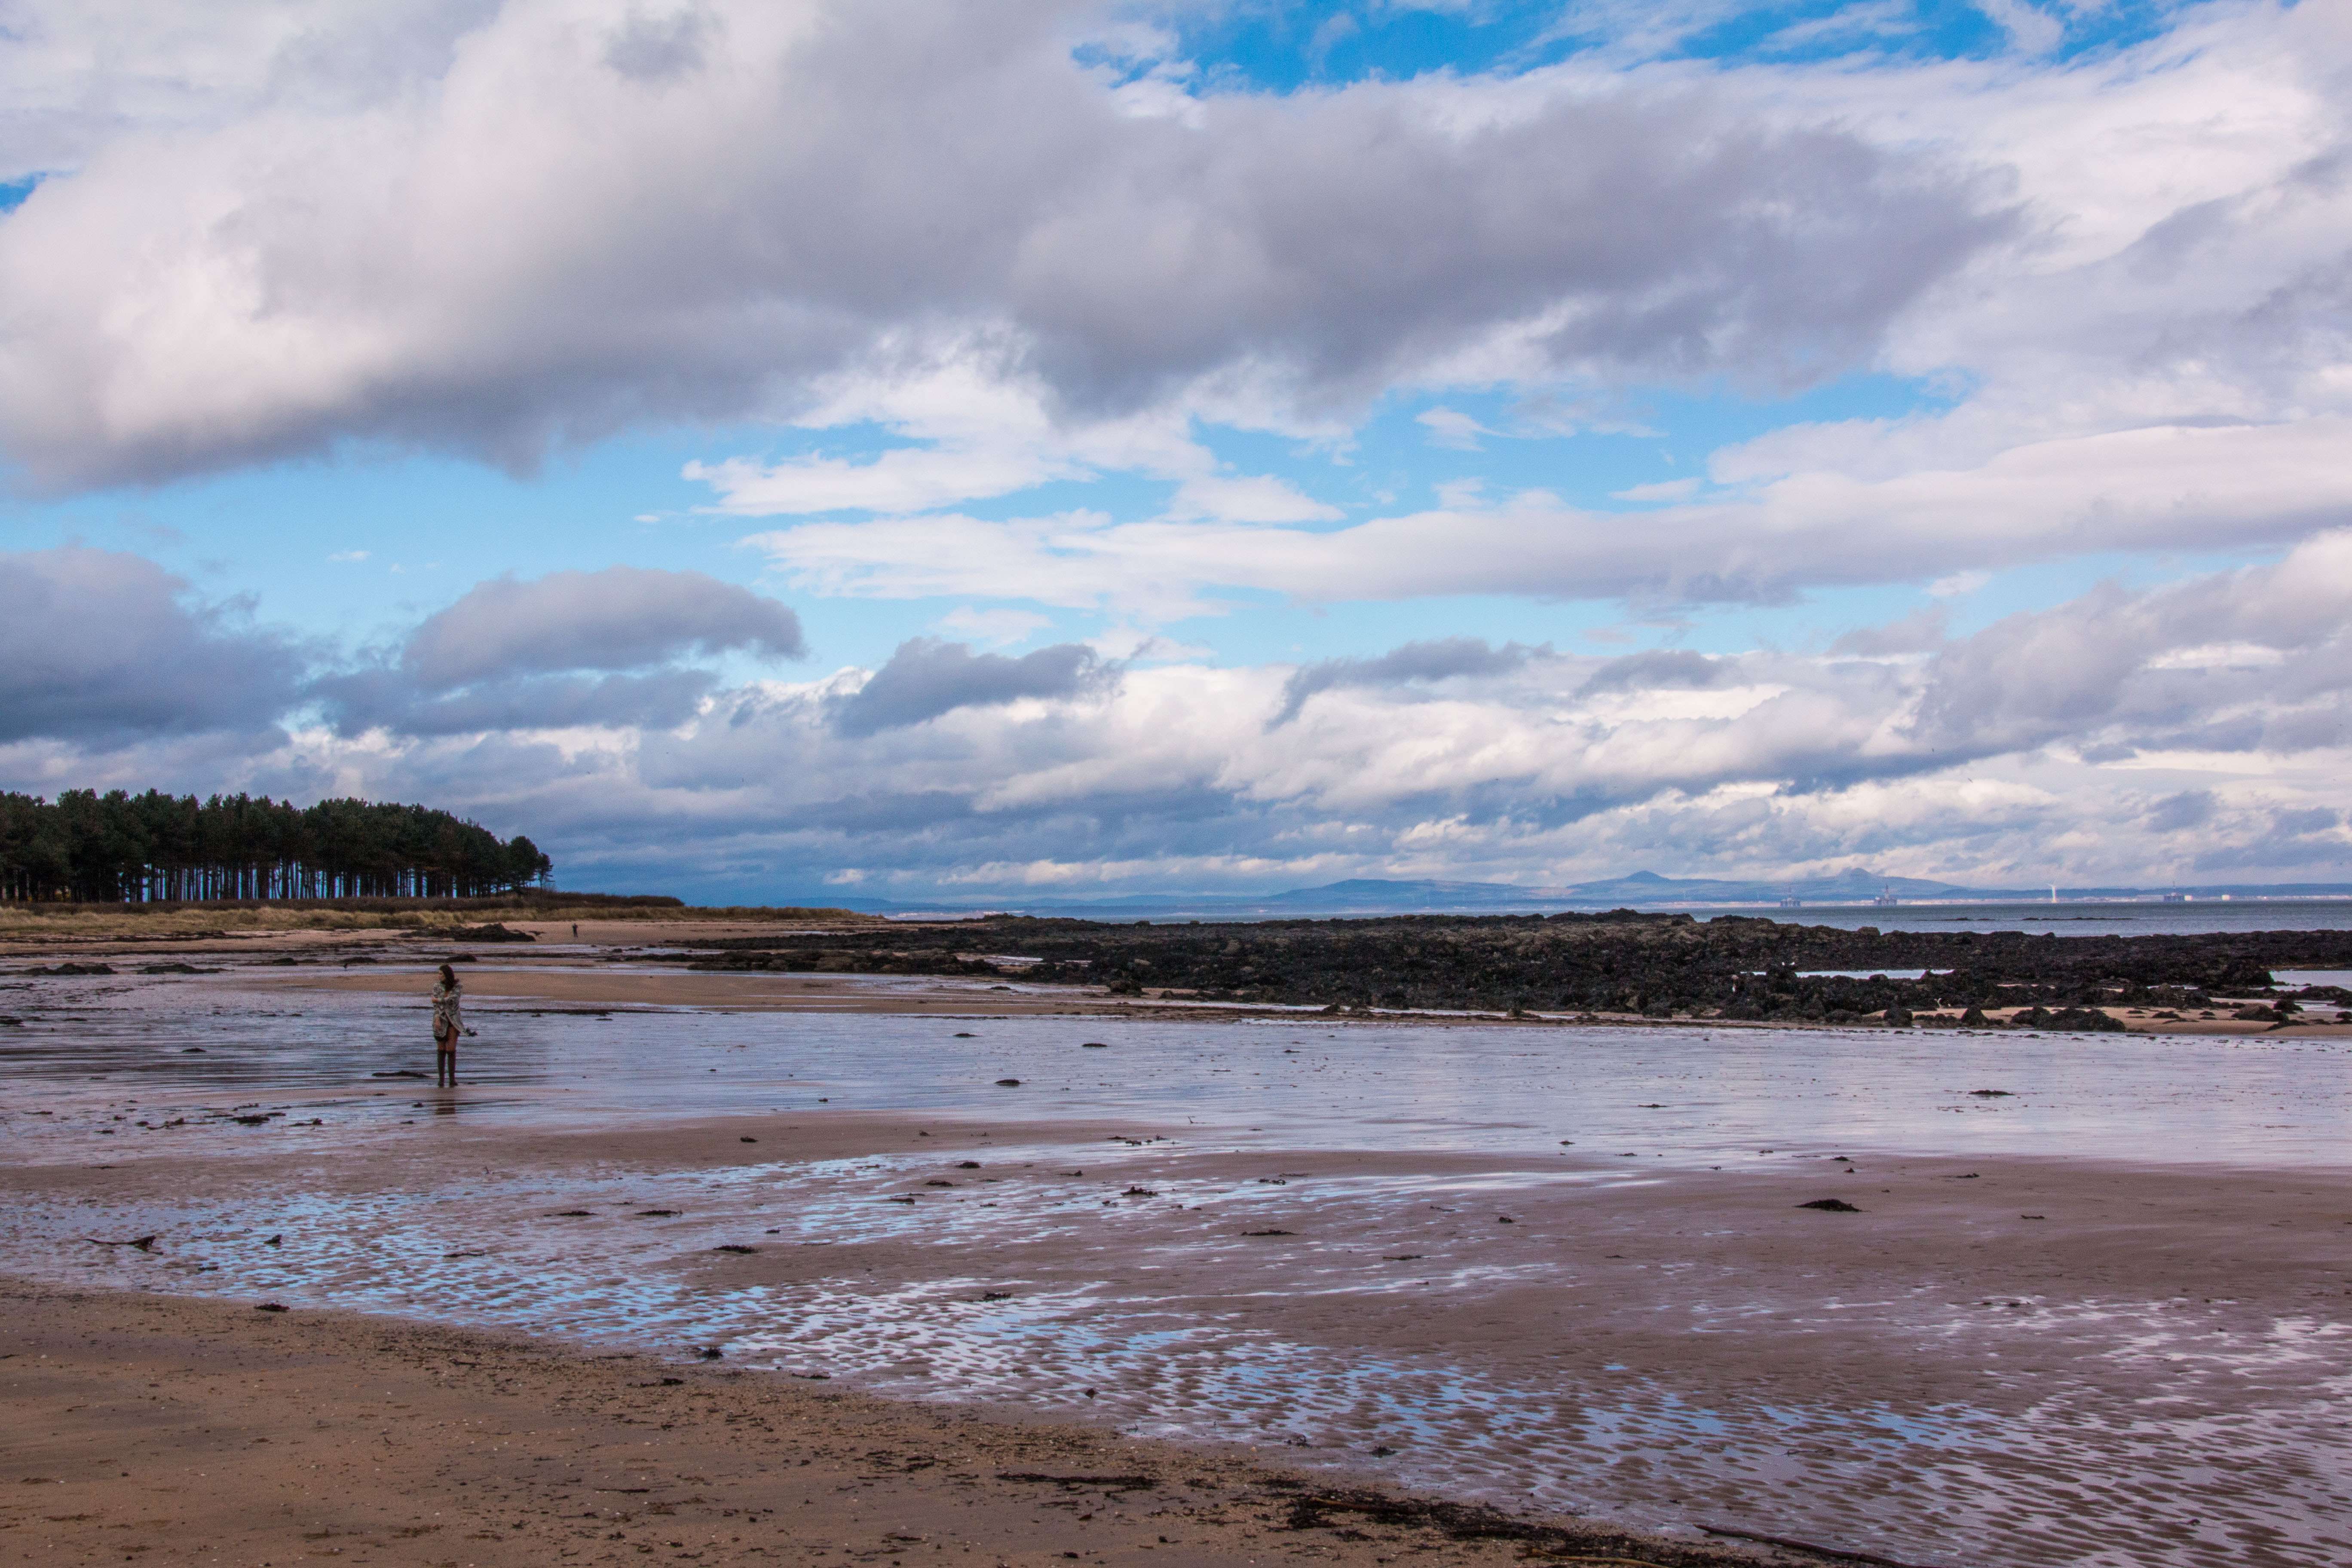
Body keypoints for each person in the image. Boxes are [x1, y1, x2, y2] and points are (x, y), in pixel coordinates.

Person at [431, 963, 475, 1087]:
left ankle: (452, 1080)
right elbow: (436, 1005)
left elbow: (453, 999)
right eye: (439, 974)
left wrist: (438, 1000)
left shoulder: (458, 986)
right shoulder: (437, 986)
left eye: (441, 974)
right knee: (441, 1049)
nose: (439, 976)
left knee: (451, 1050)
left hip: (453, 1020)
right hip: (440, 1019)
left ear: (447, 975)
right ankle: (441, 1080)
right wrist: (437, 1018)